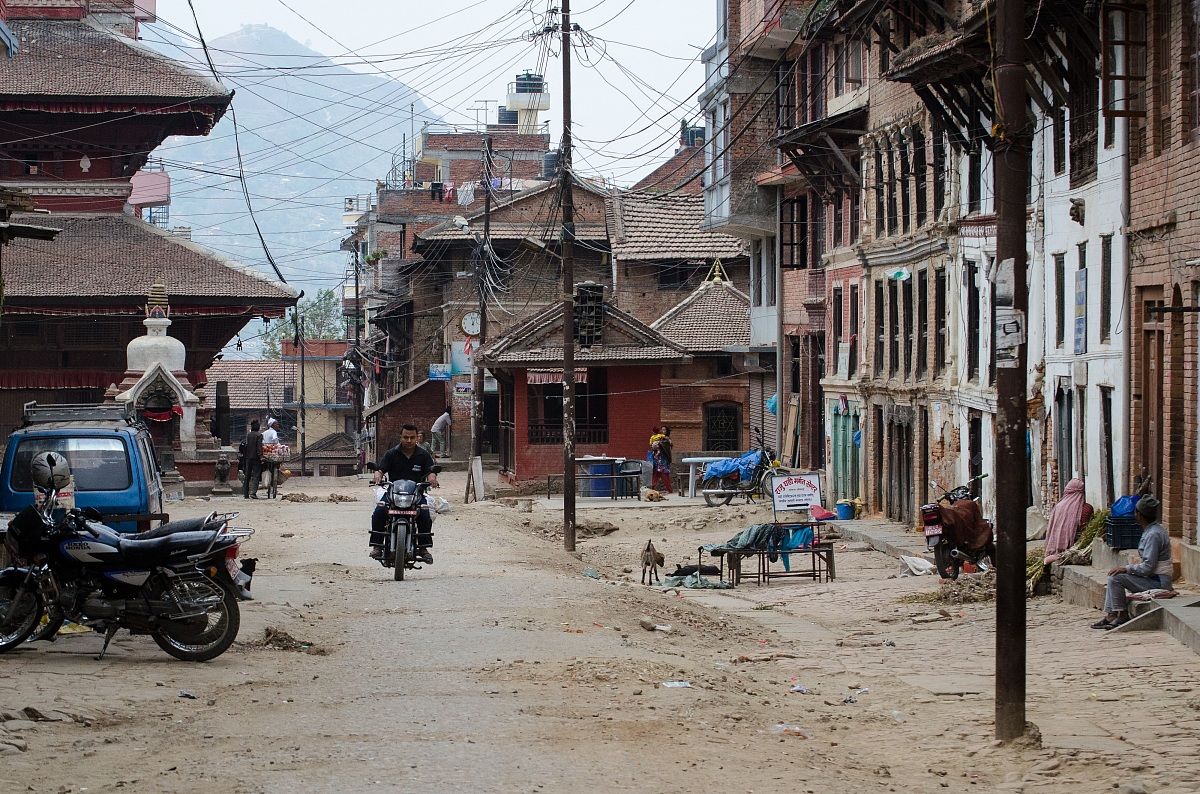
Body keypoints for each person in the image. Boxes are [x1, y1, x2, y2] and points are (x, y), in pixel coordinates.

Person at [1092, 496, 1173, 630]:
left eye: (1135, 512)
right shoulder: (1152, 530)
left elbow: (1148, 567)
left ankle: (1121, 615)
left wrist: (1126, 569)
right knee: (1114, 575)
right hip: (1153, 578)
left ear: (1139, 515)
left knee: (1116, 578)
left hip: (1158, 581)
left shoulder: (1154, 534)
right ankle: (1111, 615)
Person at [370, 423, 440, 563]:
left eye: (412, 437)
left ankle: (423, 548)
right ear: (400, 437)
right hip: (393, 493)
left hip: (416, 494)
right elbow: (381, 469)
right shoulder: (391, 453)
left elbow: (430, 471)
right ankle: (377, 546)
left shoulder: (423, 455)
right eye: (405, 437)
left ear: (417, 438)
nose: (409, 440)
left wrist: (432, 478)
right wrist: (378, 475)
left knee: (425, 513)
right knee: (379, 511)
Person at [1044, 478, 1094, 560]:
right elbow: (1086, 530)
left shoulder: (1057, 507)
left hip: (1054, 547)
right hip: (1077, 546)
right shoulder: (1087, 508)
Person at [241, 420, 263, 499]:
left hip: (248, 458)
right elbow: (259, 447)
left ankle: (245, 493)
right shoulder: (259, 435)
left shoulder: (248, 435)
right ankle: (253, 493)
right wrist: (261, 457)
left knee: (247, 475)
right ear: (258, 427)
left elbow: (246, 446)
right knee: (256, 475)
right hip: (256, 458)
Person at [260, 418, 281, 499]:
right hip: (272, 452)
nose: (278, 425)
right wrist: (278, 445)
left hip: (265, 452)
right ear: (272, 425)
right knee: (275, 468)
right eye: (276, 424)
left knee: (266, 468)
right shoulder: (273, 432)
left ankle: (268, 485)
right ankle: (272, 486)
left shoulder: (264, 433)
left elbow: (262, 442)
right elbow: (275, 439)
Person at [649, 425, 673, 494]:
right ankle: (652, 488)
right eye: (662, 430)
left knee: (665, 474)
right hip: (656, 459)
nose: (662, 431)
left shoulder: (667, 440)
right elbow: (652, 446)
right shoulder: (657, 438)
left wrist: (659, 444)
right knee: (655, 474)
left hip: (664, 460)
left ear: (667, 431)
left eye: (664, 430)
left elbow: (667, 448)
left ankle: (669, 490)